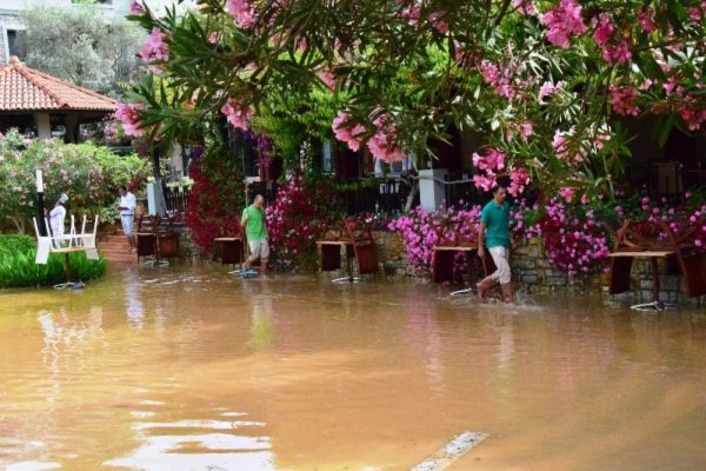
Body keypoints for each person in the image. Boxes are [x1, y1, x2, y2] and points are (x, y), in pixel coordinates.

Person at [476, 184, 513, 303]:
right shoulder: (488, 209)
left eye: (505, 193)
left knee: (503, 270)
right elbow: (481, 229)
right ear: (494, 194)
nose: (504, 195)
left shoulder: (506, 206)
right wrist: (480, 247)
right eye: (501, 193)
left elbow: (506, 224)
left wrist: (510, 238)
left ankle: (482, 284)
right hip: (493, 243)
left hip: (504, 242)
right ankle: (508, 301)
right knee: (505, 271)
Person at [241, 194, 269, 276]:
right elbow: (242, 224)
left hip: (262, 235)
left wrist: (266, 233)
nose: (260, 205)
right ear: (255, 201)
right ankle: (245, 264)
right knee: (255, 255)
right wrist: (245, 218)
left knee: (265, 256)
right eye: (259, 203)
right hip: (252, 236)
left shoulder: (262, 210)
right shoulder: (247, 210)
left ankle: (263, 274)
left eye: (262, 204)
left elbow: (263, 222)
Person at [118, 185, 137, 252]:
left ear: (125, 190)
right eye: (119, 192)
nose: (120, 193)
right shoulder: (122, 197)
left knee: (130, 232)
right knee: (126, 233)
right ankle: (131, 246)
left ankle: (134, 247)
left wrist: (124, 208)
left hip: (129, 215)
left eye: (121, 191)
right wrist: (120, 208)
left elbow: (133, 206)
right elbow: (121, 205)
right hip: (122, 215)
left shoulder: (131, 196)